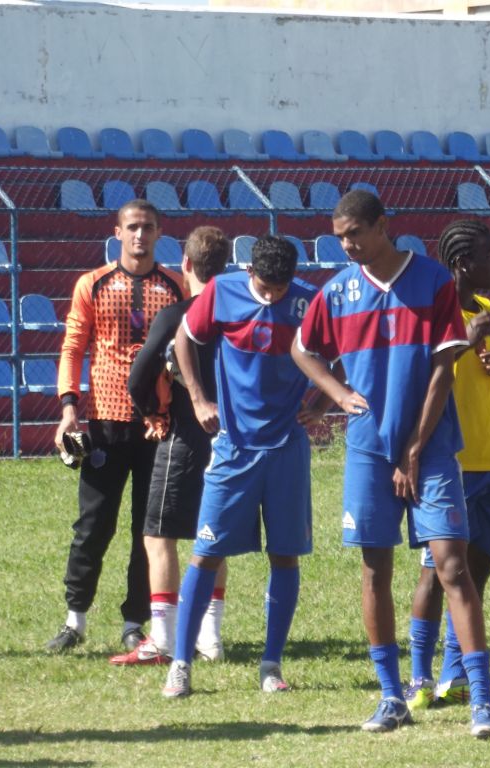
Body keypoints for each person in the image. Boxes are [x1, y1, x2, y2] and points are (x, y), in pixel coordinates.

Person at [292, 190, 490, 738]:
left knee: (452, 566)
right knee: (373, 569)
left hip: (429, 447)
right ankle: (391, 696)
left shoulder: (430, 280)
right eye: (340, 237)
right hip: (365, 446)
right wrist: (336, 392)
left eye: (355, 233)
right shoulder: (337, 292)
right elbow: (302, 348)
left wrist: (412, 447)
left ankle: (482, 701)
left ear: (383, 225)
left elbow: (441, 373)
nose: (348, 244)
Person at [161, 235, 320, 698]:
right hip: (234, 448)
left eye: (281, 288)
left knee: (284, 554)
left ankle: (271, 665)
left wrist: (323, 401)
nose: (273, 297)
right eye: (266, 287)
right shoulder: (222, 292)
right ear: (250, 273)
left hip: (287, 448)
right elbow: (184, 339)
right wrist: (197, 397)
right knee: (206, 552)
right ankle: (181, 664)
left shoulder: (309, 301)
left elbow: (345, 352)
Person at [48, 200, 184, 653]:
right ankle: (75, 619)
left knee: (148, 530)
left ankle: (134, 620)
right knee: (92, 525)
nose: (139, 235)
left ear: (160, 231)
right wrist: (69, 407)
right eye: (132, 227)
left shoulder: (176, 286)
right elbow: (73, 347)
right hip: (105, 421)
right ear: (117, 232)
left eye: (147, 227)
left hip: (158, 427)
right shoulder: (93, 283)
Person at [404, 219, 490, 711]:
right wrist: (468, 339)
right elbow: (428, 372)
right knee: (437, 573)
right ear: (465, 262)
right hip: (453, 461)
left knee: (479, 572)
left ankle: (455, 673)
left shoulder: (488, 309)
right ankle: (417, 675)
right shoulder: (436, 310)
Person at [111, 226, 232, 666]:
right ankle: (210, 638)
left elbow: (138, 377)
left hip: (185, 435)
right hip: (232, 440)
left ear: (185, 264)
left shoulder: (177, 315)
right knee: (212, 534)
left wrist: (151, 414)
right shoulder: (240, 313)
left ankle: (162, 638)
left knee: (158, 535)